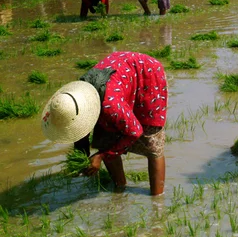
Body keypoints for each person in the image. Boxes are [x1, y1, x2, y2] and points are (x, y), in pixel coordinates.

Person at [41, 51, 168, 195]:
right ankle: (119, 188)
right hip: (119, 76)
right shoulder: (74, 97)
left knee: (152, 142)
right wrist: (82, 154)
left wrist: (101, 156)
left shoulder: (110, 105)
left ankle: (157, 202)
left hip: (146, 73)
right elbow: (80, 128)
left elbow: (135, 131)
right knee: (106, 140)